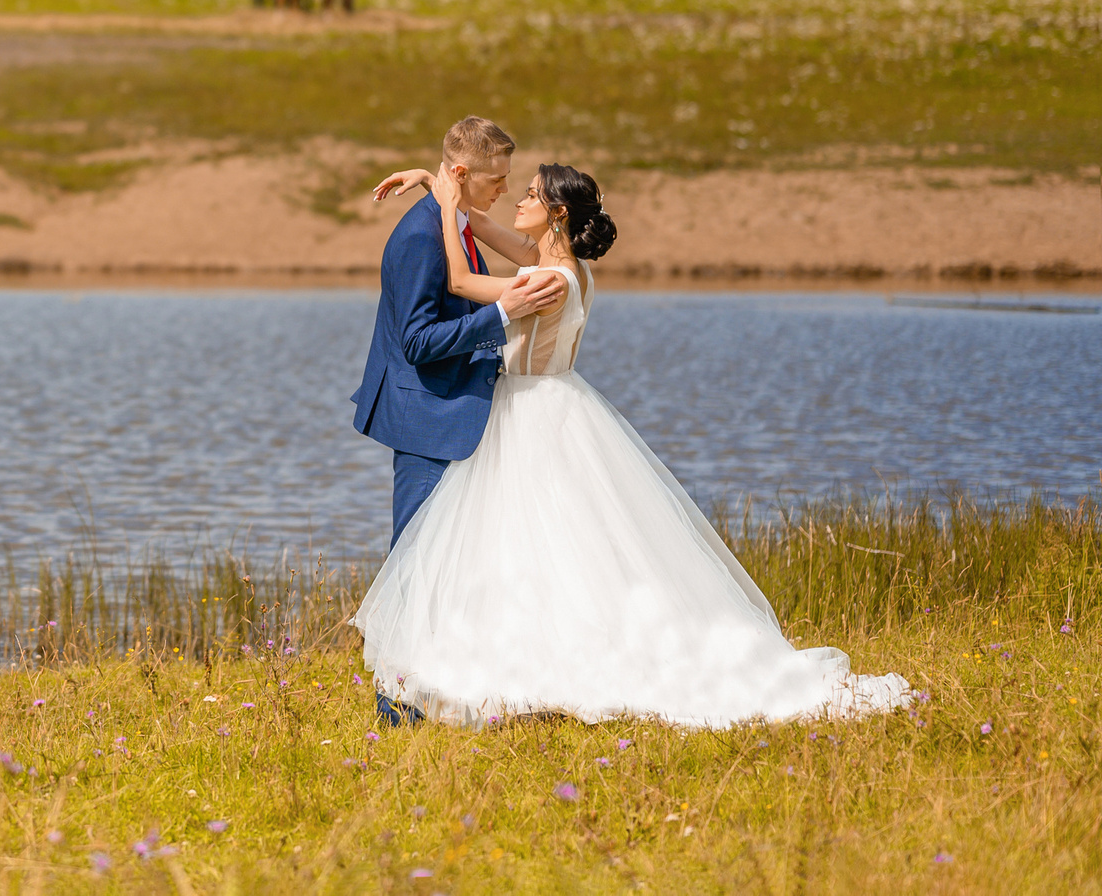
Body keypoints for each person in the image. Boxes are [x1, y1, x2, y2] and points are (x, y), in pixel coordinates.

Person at [352, 159, 913, 728]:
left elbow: (461, 282)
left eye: (529, 195)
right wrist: (434, 183)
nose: (516, 202)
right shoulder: (561, 266)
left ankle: (546, 667)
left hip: (531, 412)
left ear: (557, 212)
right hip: (546, 405)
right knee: (539, 545)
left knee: (540, 540)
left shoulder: (546, 280)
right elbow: (486, 230)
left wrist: (445, 209)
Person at [351, 117, 565, 554]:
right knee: (416, 557)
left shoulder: (455, 220)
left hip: (455, 413)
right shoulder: (420, 237)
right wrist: (501, 315)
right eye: (498, 179)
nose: (505, 190)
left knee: (451, 562)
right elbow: (417, 342)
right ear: (462, 175)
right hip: (428, 422)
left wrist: (434, 182)